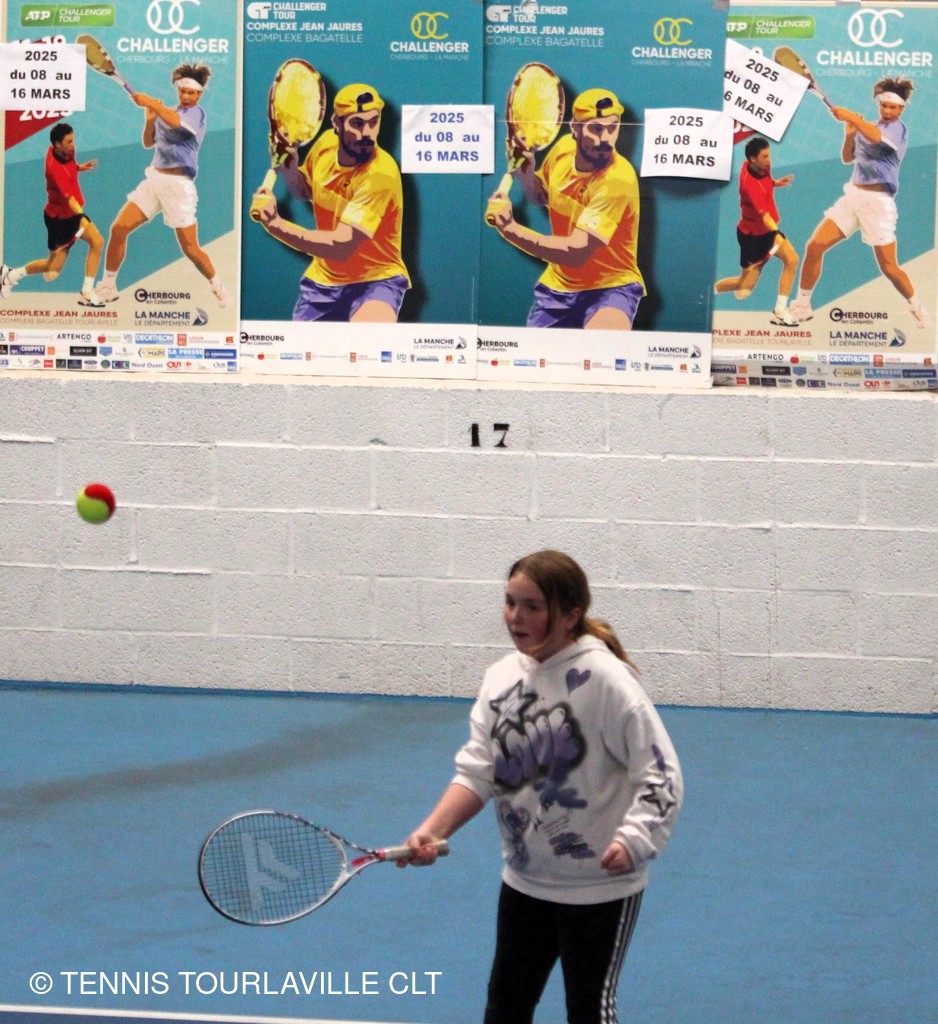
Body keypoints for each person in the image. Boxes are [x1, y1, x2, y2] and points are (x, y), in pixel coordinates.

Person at [401, 550, 683, 1024]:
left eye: (532, 606)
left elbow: (662, 774)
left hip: (599, 891)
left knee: (589, 1012)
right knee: (505, 1008)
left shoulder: (607, 682)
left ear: (570, 615)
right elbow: (479, 771)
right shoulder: (500, 679)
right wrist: (433, 829)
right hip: (525, 882)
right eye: (510, 602)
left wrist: (636, 838)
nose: (516, 617)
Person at [250, 83, 410, 323]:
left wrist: (275, 224)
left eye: (373, 122)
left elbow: (340, 246)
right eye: (357, 123)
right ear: (337, 123)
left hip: (377, 280)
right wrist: (290, 167)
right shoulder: (325, 145)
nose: (366, 133)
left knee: (371, 338)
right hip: (323, 281)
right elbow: (305, 191)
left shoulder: (380, 173)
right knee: (297, 347)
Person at [487, 89, 644, 331]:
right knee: (531, 354)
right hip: (558, 287)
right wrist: (526, 173)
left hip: (612, 287)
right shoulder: (563, 150)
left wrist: (511, 230)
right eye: (595, 129)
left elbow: (575, 253)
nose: (605, 138)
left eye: (612, 128)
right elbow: (542, 196)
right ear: (575, 128)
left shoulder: (617, 179)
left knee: (605, 345)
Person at [790, 78, 925, 328]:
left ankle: (916, 306)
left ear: (901, 109)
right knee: (815, 246)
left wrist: (852, 118)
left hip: (878, 204)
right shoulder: (869, 126)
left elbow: (876, 137)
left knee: (889, 267)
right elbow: (847, 157)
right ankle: (802, 305)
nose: (887, 111)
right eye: (883, 105)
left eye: (892, 107)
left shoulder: (899, 130)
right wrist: (850, 133)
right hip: (853, 196)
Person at [95, 64, 232, 308]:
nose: (186, 96)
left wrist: (152, 103)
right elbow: (148, 142)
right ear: (178, 90)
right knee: (118, 229)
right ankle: (108, 287)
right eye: (183, 91)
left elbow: (177, 123)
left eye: (191, 93)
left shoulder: (197, 115)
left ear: (199, 94)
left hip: (178, 187)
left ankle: (219, 287)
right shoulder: (167, 112)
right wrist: (149, 119)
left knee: (190, 248)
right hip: (154, 180)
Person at [0, 122, 105, 307]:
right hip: (59, 221)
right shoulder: (54, 169)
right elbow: (70, 199)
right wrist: (82, 216)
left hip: (73, 215)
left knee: (97, 242)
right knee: (52, 272)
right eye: (69, 141)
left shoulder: (64, 150)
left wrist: (79, 167)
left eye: (73, 140)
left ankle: (87, 292)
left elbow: (69, 166)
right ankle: (11, 275)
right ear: (57, 144)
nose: (73, 144)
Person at [714, 136, 799, 326]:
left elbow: (765, 182)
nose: (769, 160)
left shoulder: (757, 165)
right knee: (744, 287)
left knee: (792, 259)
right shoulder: (749, 184)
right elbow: (766, 217)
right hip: (753, 237)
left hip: (766, 232)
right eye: (765, 156)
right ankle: (709, 291)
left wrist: (775, 183)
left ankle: (779, 310)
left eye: (769, 155)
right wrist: (777, 234)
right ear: (753, 159)